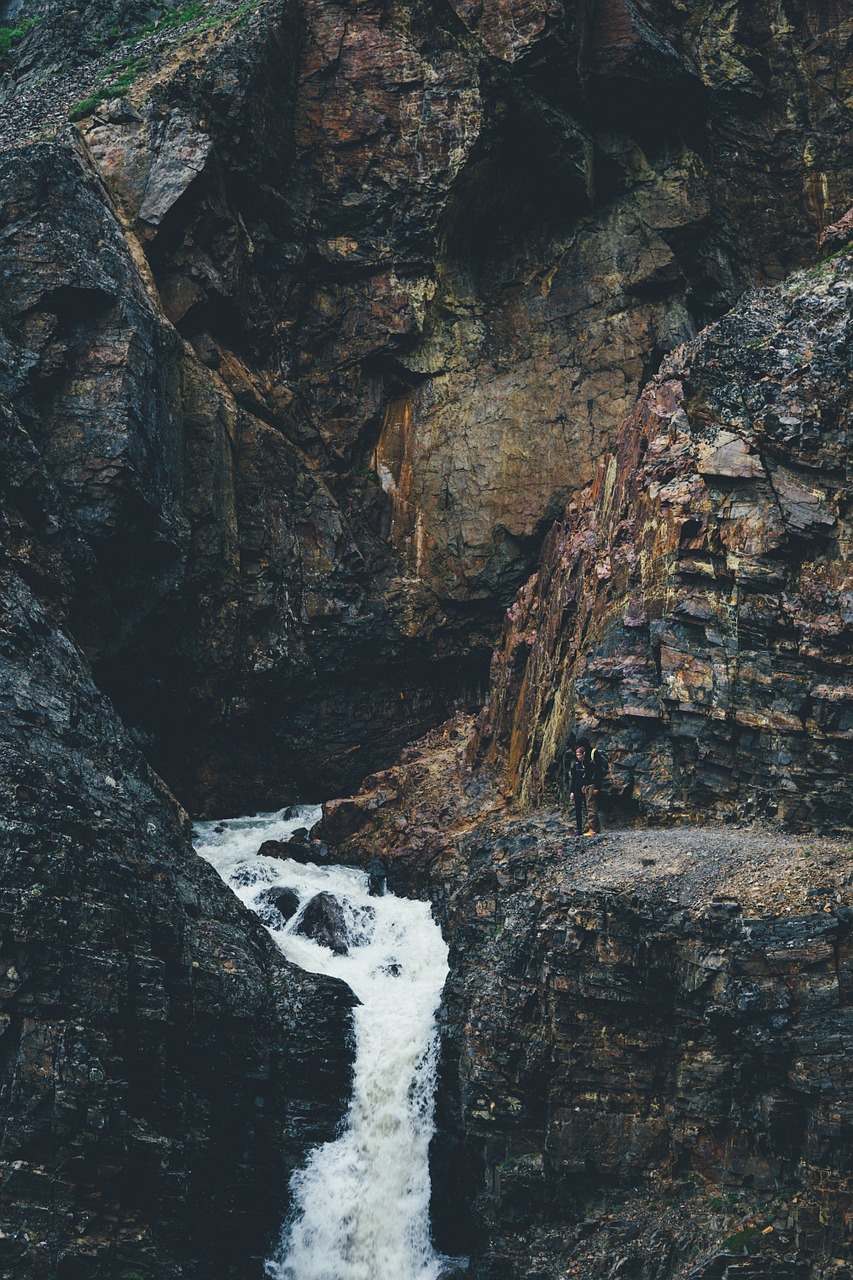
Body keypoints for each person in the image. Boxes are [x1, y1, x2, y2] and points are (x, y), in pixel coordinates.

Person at [568, 738, 608, 835]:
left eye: (580, 747)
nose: (579, 749)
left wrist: (597, 787)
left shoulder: (593, 753)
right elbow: (587, 772)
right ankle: (596, 828)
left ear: (584, 745)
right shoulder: (586, 755)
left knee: (591, 806)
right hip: (588, 784)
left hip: (593, 784)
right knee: (589, 805)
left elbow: (598, 771)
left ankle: (592, 829)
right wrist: (584, 785)